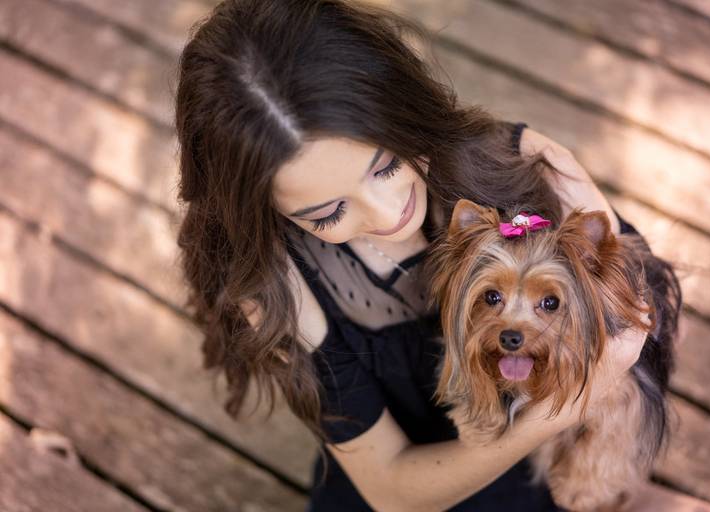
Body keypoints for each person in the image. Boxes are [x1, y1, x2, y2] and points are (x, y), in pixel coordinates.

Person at [172, 1, 662, 510]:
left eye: (386, 167)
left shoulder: (522, 166)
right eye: (329, 212)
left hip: (552, 470)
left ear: (404, 112)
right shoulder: (280, 286)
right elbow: (389, 489)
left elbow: (638, 319)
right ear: (267, 213)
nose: (388, 214)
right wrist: (558, 412)